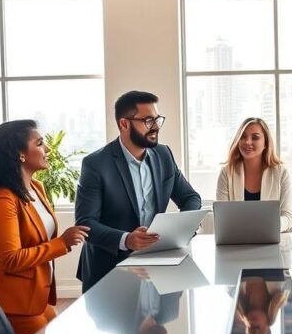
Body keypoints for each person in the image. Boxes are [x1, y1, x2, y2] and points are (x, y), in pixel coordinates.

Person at [0, 119, 90, 334]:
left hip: (38, 298)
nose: (47, 149)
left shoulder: (37, 188)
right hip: (15, 301)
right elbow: (11, 259)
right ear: (19, 154)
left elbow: (37, 240)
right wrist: (62, 243)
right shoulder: (3, 198)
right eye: (40, 143)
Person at [75, 91, 202, 291]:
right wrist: (127, 239)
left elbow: (190, 197)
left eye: (157, 119)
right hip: (110, 270)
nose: (156, 127)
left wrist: (181, 227)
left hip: (157, 264)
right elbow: (85, 224)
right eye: (148, 120)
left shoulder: (164, 154)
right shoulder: (96, 164)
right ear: (124, 124)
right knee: (118, 323)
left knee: (161, 321)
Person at [85, 267, 182, 334]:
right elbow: (177, 272)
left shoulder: (105, 319)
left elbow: (94, 267)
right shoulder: (171, 312)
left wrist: (129, 267)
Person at [216, 117, 292, 231]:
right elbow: (221, 217)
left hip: (269, 239)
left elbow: (288, 216)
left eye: (255, 137)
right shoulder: (226, 173)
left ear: (265, 143)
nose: (248, 142)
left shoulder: (281, 173)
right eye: (243, 137)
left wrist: (270, 226)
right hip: (237, 240)